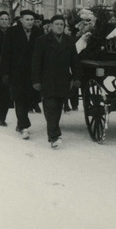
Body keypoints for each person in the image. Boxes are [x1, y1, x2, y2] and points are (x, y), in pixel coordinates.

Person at [32, 15, 81, 148]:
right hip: (46, 79)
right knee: (50, 107)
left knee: (58, 107)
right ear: (51, 26)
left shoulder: (69, 41)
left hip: (63, 79)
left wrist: (77, 78)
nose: (59, 27)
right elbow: (36, 62)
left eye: (61, 24)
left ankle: (52, 132)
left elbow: (74, 61)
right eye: (57, 24)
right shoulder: (42, 40)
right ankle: (54, 135)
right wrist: (36, 80)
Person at [0, 10, 42, 139]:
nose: (30, 22)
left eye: (32, 20)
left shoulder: (38, 32)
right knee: (19, 98)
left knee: (29, 98)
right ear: (21, 20)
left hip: (32, 72)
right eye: (27, 19)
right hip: (16, 72)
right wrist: (5, 72)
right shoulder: (12, 32)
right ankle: (24, 125)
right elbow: (6, 53)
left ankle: (21, 123)